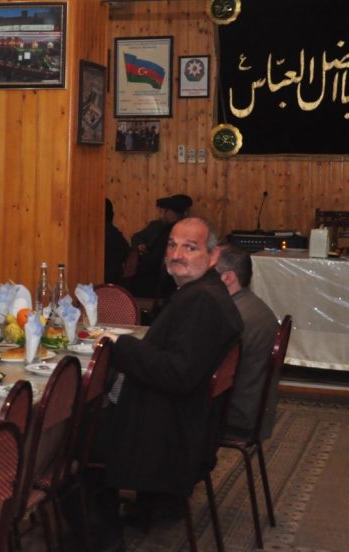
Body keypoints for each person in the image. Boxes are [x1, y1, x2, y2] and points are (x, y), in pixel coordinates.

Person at [92, 217, 242, 542]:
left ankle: (100, 537)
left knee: (69, 437)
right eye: (172, 245)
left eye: (190, 248)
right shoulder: (204, 292)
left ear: (213, 256)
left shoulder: (202, 301)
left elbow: (178, 373)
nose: (176, 255)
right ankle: (144, 510)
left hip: (166, 433)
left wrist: (120, 346)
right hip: (180, 419)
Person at [216, 243, 282, 440]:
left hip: (236, 415)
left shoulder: (234, 317)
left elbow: (207, 371)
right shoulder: (251, 305)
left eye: (209, 272)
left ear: (228, 278)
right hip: (254, 409)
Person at [122, 193, 192, 298]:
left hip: (157, 282)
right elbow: (137, 237)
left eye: (164, 211)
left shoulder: (172, 233)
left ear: (171, 213)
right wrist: (140, 245)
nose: (162, 215)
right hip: (156, 277)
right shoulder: (158, 226)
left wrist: (135, 270)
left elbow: (154, 261)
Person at [104, 198, 131, 284]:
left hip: (107, 280)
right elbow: (126, 251)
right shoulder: (114, 232)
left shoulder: (105, 232)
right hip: (114, 280)